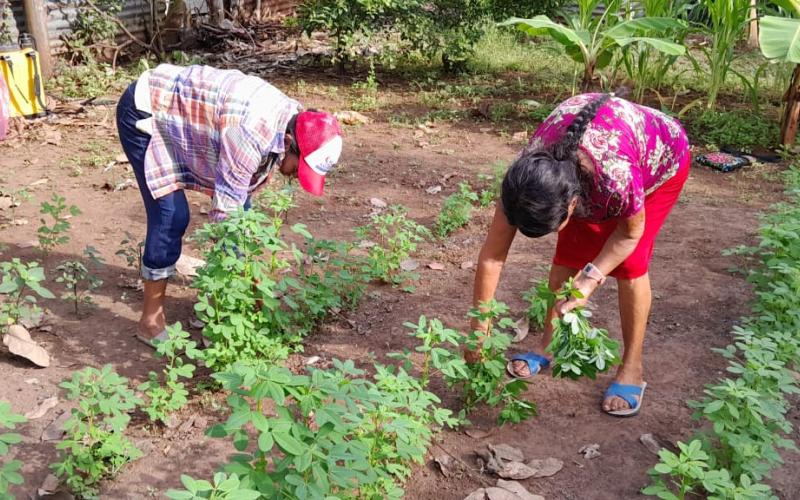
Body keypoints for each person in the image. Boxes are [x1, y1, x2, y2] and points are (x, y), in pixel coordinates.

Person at [471, 92, 690, 417]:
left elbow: (629, 234)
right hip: (589, 154)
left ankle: (632, 367)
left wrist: (588, 281)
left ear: (573, 205)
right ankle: (547, 345)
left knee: (630, 264)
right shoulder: (527, 177)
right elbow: (492, 256)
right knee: (569, 253)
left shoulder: (617, 179)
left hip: (661, 159)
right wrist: (480, 334)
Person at [116, 64, 343, 346]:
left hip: (191, 114)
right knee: (171, 215)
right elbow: (226, 219)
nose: (298, 177)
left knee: (241, 216)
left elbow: (239, 199)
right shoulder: (249, 134)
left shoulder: (296, 121)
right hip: (147, 111)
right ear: (288, 143)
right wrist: (254, 285)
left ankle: (214, 308)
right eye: (300, 168)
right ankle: (150, 322)